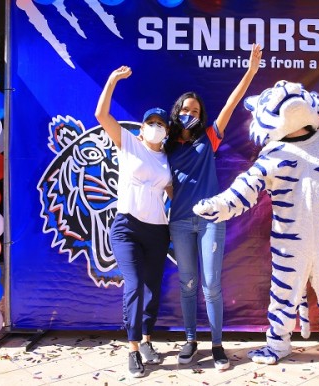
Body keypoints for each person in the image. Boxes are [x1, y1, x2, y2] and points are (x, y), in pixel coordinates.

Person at [193, 80, 319, 366]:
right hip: (289, 245)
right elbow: (244, 189)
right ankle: (277, 344)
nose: (284, 85)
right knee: (284, 294)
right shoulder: (271, 155)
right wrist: (218, 206)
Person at [163, 44, 262, 370]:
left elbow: (233, 103)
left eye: (194, 110)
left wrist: (249, 72)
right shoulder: (164, 145)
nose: (189, 114)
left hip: (209, 222)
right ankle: (191, 340)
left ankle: (217, 344)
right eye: (185, 110)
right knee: (188, 284)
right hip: (178, 222)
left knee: (211, 286)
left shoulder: (210, 136)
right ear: (176, 111)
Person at [95, 65, 171, 378]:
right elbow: (101, 115)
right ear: (141, 128)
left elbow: (175, 191)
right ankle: (133, 349)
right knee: (135, 285)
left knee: (153, 287)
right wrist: (111, 80)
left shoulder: (169, 159)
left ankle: (149, 341)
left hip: (158, 230)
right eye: (150, 122)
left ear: (167, 131)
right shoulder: (129, 143)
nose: (155, 127)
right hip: (126, 227)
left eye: (160, 124)